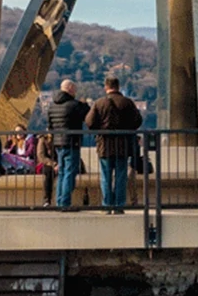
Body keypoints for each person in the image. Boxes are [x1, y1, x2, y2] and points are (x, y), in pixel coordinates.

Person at [85, 76, 142, 214]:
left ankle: (106, 205)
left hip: (104, 144)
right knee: (121, 176)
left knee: (105, 177)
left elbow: (89, 122)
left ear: (106, 87)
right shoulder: (127, 103)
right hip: (123, 145)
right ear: (118, 86)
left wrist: (100, 129)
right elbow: (138, 121)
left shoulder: (99, 103)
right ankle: (119, 205)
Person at [46, 80, 89, 210]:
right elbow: (86, 114)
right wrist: (84, 104)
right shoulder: (74, 105)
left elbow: (50, 125)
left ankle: (60, 201)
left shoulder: (52, 106)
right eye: (74, 89)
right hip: (71, 142)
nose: (75, 92)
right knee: (70, 172)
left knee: (62, 173)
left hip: (58, 143)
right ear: (70, 88)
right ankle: (65, 202)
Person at [36, 133, 59, 206]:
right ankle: (47, 200)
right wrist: (54, 164)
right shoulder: (43, 139)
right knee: (49, 173)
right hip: (47, 163)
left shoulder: (61, 138)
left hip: (60, 163)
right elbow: (41, 156)